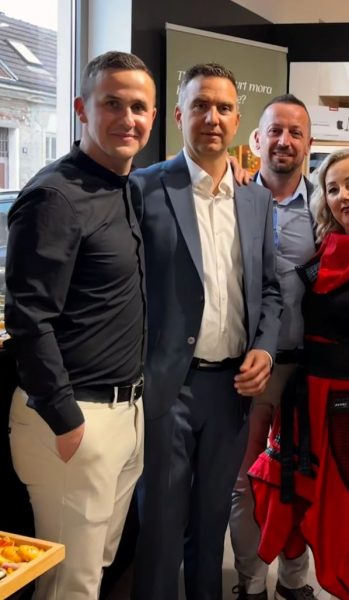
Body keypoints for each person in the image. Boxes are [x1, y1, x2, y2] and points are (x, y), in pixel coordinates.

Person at [5, 51, 156, 600]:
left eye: (138, 107)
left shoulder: (125, 188)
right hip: (74, 420)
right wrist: (66, 420)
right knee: (71, 585)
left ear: (153, 116)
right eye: (112, 103)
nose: (127, 118)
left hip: (125, 413)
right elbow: (28, 319)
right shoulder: (54, 197)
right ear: (81, 109)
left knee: (96, 569)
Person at [130, 63, 281, 600]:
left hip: (231, 392)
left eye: (223, 108)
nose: (212, 118)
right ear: (178, 115)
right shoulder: (144, 189)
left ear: (238, 121)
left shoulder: (256, 199)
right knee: (160, 530)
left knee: (212, 525)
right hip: (166, 388)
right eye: (200, 106)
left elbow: (269, 289)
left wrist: (265, 347)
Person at [249, 149, 349, 600]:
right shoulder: (325, 249)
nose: (343, 196)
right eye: (333, 188)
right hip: (309, 400)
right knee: (296, 502)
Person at [229, 94, 317, 600]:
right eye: (275, 131)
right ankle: (250, 583)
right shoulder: (233, 197)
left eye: (296, 133)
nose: (284, 141)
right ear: (257, 139)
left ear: (308, 143)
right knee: (245, 481)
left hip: (308, 368)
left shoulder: (326, 206)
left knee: (301, 479)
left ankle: (294, 580)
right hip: (248, 368)